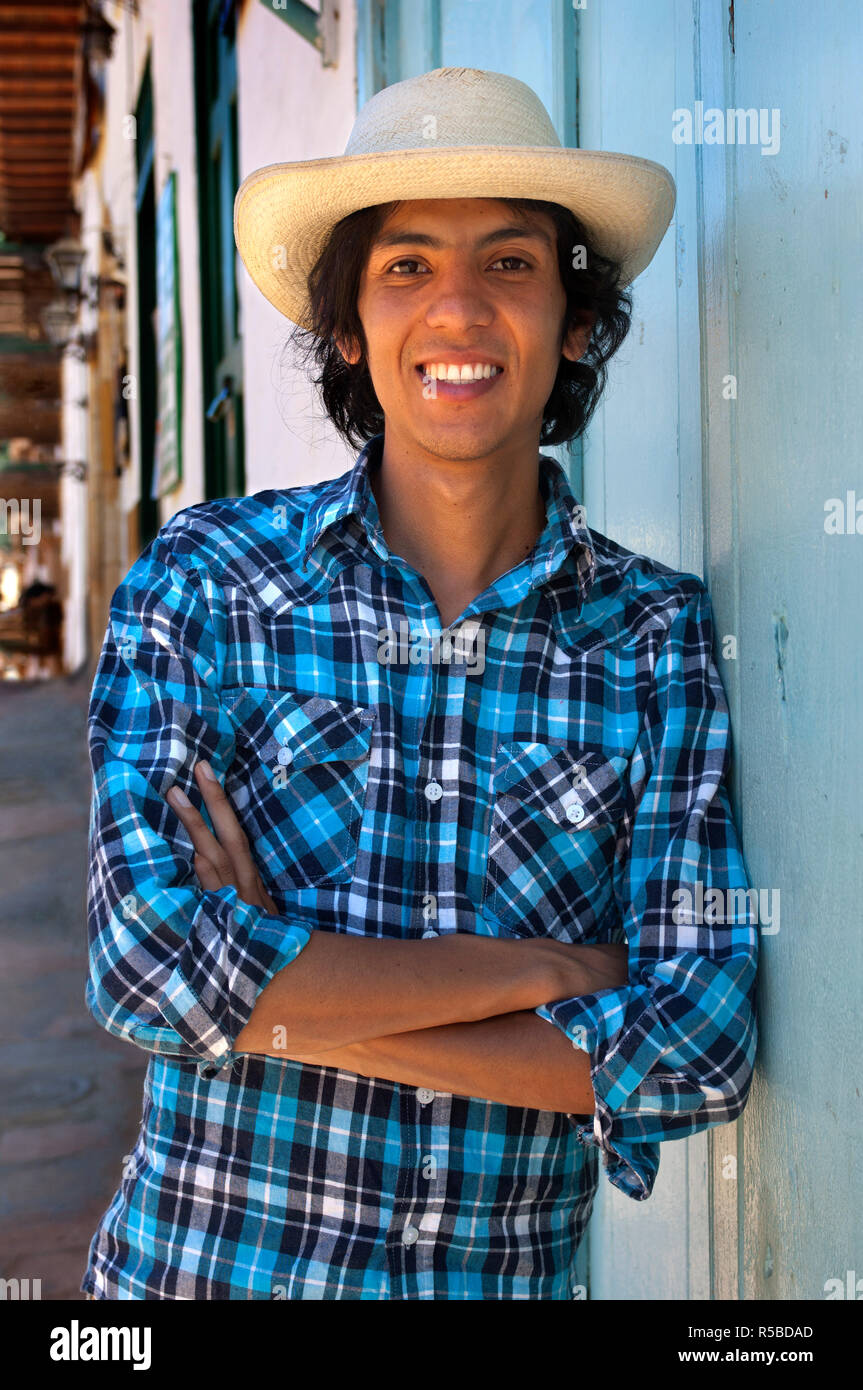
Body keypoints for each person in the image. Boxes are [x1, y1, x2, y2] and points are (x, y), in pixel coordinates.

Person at [80, 67, 758, 1301]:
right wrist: (550, 968)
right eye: (405, 268)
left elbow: (696, 1045)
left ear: (574, 320)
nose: (457, 310)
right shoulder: (210, 582)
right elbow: (141, 961)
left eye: (508, 264)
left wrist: (276, 990)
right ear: (347, 326)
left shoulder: (653, 639)